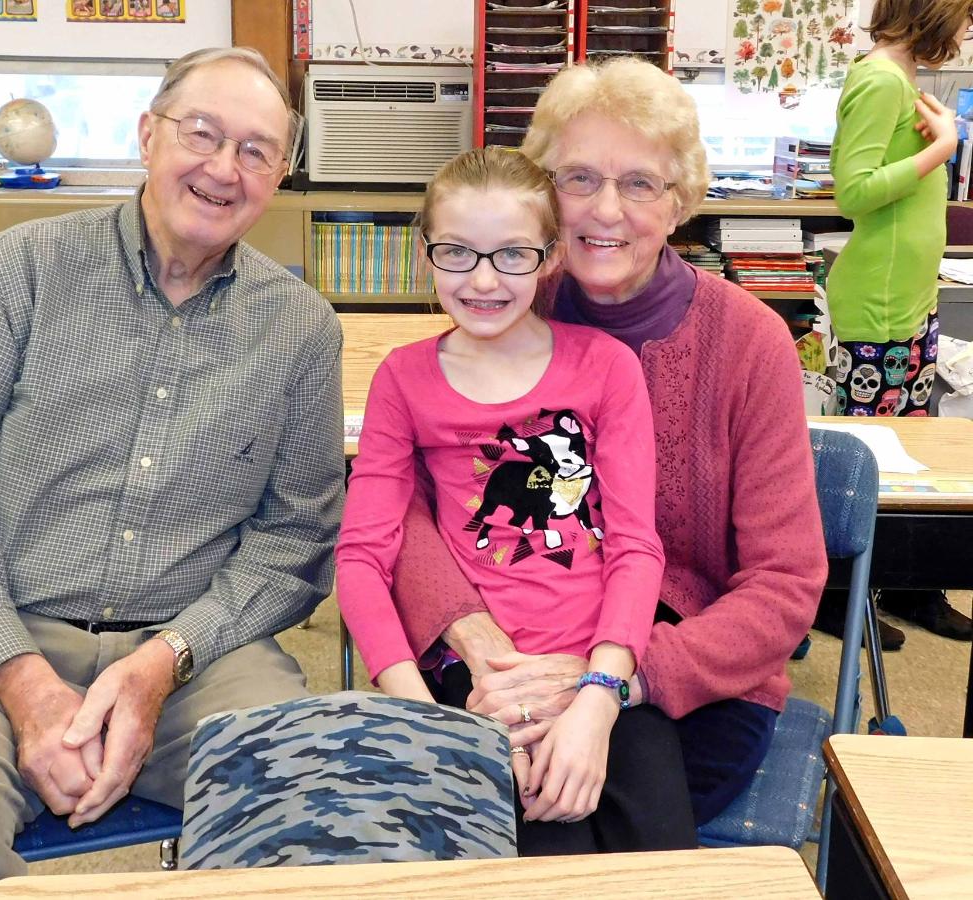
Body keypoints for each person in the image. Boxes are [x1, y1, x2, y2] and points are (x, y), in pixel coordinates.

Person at [0, 47, 345, 900]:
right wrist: (23, 681)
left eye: (257, 151)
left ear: (279, 175)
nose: (225, 168)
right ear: (148, 135)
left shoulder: (299, 330)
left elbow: (293, 540)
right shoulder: (20, 272)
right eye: (203, 134)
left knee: (316, 812)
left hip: (195, 656)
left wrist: (158, 668)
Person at [389, 58, 829, 829]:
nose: (605, 209)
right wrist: (474, 632)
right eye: (579, 178)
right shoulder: (506, 297)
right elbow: (406, 511)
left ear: (680, 200)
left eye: (639, 184)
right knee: (484, 811)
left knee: (592, 819)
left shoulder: (751, 344)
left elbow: (786, 585)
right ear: (542, 193)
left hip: (690, 674)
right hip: (510, 647)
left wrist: (619, 679)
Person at [336, 147, 697, 855]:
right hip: (467, 692)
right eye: (457, 253)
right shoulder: (403, 380)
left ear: (550, 255)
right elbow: (360, 560)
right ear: (424, 254)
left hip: (600, 672)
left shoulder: (605, 367)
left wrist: (597, 699)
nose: (482, 280)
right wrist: (424, 720)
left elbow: (634, 547)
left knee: (658, 860)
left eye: (511, 255)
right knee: (520, 864)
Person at [820, 0, 973, 642]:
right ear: (931, 14)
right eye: (963, 18)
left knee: (905, 457)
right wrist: (943, 148)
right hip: (880, 305)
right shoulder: (880, 79)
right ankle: (832, 596)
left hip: (908, 300)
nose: (967, 32)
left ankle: (907, 586)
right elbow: (851, 190)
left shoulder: (899, 77)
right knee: (861, 464)